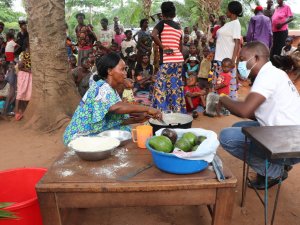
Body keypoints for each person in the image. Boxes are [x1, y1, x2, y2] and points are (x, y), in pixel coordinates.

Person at [219, 41, 300, 189]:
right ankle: (279, 164)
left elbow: (245, 110)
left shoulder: (267, 76)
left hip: (290, 144)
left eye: (242, 59)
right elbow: (258, 114)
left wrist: (222, 99)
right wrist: (232, 105)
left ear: (256, 58)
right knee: (239, 127)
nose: (240, 64)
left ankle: (275, 171)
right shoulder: (275, 73)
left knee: (227, 137)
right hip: (291, 135)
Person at [63, 52, 162, 145]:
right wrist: (148, 108)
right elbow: (117, 108)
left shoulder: (110, 90)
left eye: (125, 69)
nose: (125, 73)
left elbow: (110, 121)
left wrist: (135, 120)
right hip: (79, 136)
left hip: (92, 131)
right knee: (124, 133)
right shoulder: (101, 87)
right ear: (110, 71)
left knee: (124, 129)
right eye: (122, 69)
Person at [151, 1, 186, 113]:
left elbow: (153, 35)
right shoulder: (179, 28)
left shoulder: (162, 23)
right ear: (174, 14)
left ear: (162, 13)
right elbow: (180, 47)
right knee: (175, 87)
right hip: (178, 60)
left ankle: (160, 113)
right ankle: (176, 111)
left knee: (160, 87)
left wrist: (162, 47)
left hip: (167, 60)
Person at [214, 1, 243, 100]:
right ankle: (220, 105)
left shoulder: (235, 24)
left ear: (231, 11)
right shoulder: (229, 24)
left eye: (227, 9)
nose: (226, 11)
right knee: (219, 84)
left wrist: (232, 61)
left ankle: (229, 107)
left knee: (227, 85)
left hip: (226, 61)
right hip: (220, 58)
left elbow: (237, 43)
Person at [15, 40, 31, 121]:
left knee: (27, 93)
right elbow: (20, 67)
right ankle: (17, 111)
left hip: (28, 75)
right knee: (21, 92)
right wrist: (29, 71)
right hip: (24, 75)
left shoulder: (32, 54)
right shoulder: (24, 54)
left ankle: (23, 111)